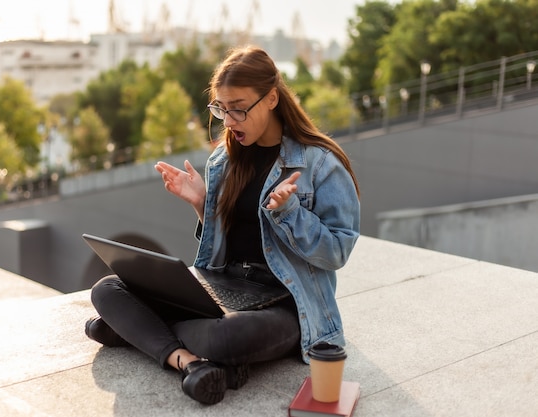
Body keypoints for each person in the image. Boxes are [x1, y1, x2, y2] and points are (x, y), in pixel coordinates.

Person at [85, 46, 360, 406]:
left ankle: (142, 333)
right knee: (107, 289)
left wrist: (292, 212)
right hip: (224, 284)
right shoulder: (225, 158)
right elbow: (230, 239)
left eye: (239, 108)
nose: (229, 121)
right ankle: (188, 362)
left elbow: (337, 252)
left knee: (225, 338)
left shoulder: (321, 164)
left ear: (272, 98)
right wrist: (202, 204)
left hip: (286, 304)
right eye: (221, 108)